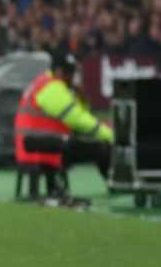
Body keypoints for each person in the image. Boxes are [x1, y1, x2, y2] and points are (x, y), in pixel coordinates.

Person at [14, 52, 112, 183]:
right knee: (103, 148)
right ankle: (115, 183)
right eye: (70, 72)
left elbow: (79, 114)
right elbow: (78, 120)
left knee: (92, 143)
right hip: (45, 149)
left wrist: (81, 98)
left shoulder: (44, 82)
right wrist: (110, 135)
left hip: (37, 145)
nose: (73, 77)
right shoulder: (53, 88)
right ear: (59, 71)